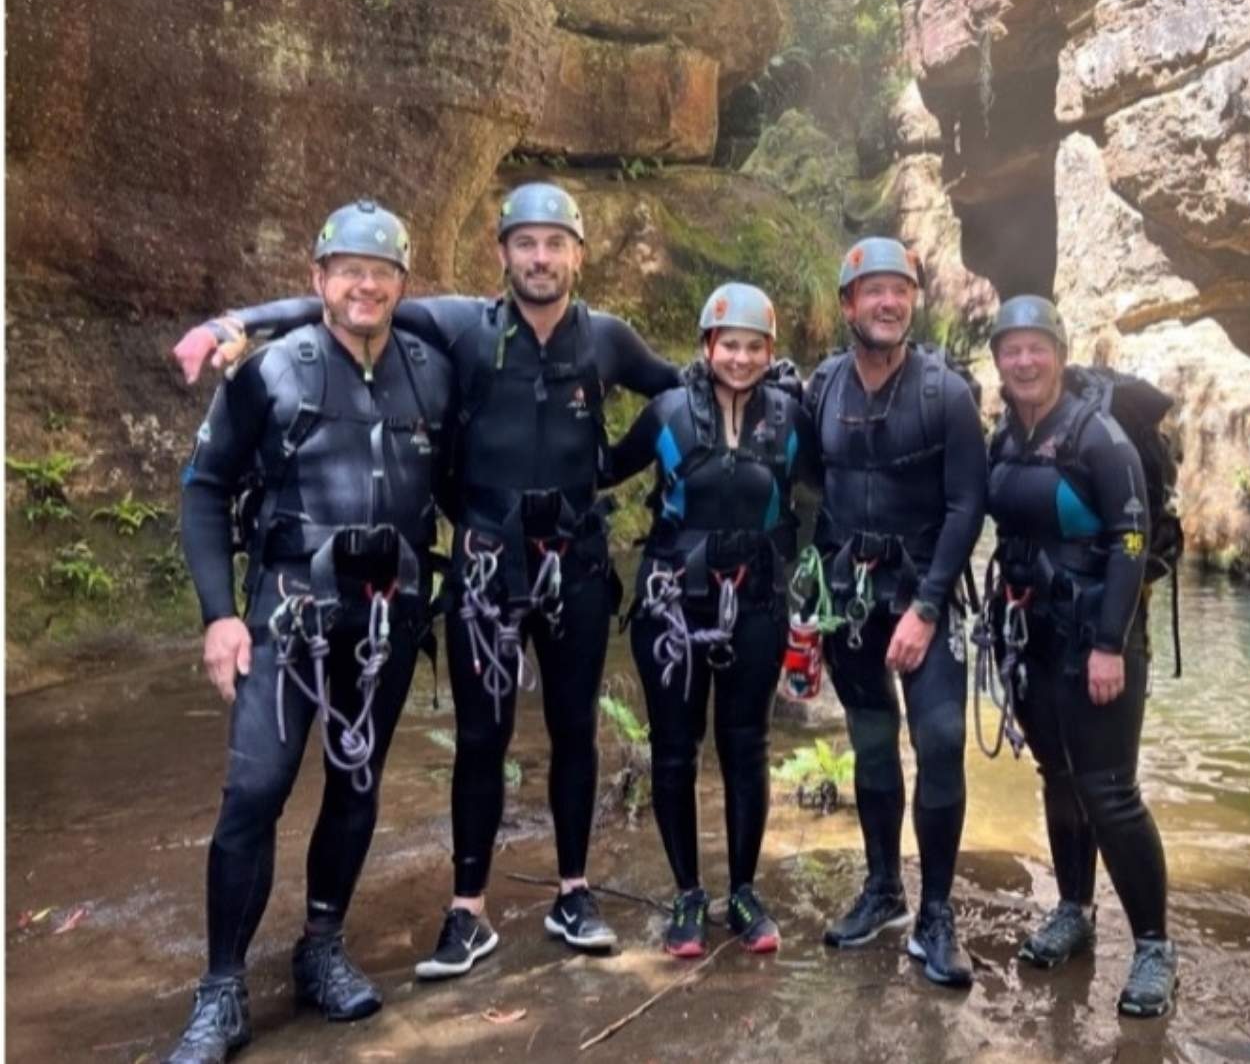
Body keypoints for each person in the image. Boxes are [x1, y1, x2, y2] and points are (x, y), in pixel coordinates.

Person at [173, 182, 678, 979]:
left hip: (569, 565)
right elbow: (348, 307)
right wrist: (237, 323)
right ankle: (464, 912)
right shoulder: (459, 327)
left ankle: (572, 894)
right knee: (470, 740)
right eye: (525, 242)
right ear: (502, 252)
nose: (540, 257)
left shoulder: (604, 339)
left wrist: (615, 464)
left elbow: (677, 389)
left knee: (569, 728)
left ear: (579, 255)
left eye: (555, 243)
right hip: (474, 571)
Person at [166, 200, 453, 1064]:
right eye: (349, 270)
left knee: (357, 784)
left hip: (387, 613)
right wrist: (219, 615)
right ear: (318, 278)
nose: (366, 286)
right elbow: (204, 488)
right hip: (288, 610)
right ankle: (222, 988)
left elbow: (464, 484)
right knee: (256, 790)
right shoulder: (268, 372)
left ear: (403, 283)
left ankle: (321, 946)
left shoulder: (432, 374)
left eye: (382, 272)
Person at [605, 284, 812, 957]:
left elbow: (832, 486)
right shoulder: (667, 412)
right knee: (674, 747)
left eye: (754, 347)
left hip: (757, 602)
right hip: (672, 605)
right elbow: (603, 468)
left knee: (746, 744)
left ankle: (744, 891)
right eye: (730, 345)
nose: (741, 358)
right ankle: (688, 894)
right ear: (706, 346)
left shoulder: (791, 417)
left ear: (770, 352)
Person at [986, 295, 1178, 1018]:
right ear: (998, 361)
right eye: (1011, 350)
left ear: (1060, 356)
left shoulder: (1100, 437)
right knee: (1059, 776)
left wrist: (1108, 645)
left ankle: (1154, 947)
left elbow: (1131, 540)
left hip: (1098, 637)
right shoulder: (1005, 436)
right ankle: (1074, 909)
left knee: (1109, 790)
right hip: (1031, 634)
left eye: (1037, 348)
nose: (1024, 361)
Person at [802, 237, 986, 986]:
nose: (888, 302)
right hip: (851, 603)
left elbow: (968, 504)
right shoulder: (822, 390)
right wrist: (805, 605)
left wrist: (929, 607)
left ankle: (936, 914)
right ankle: (884, 890)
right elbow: (809, 492)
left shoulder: (947, 394)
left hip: (923, 593)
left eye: (900, 290)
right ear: (848, 304)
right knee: (872, 745)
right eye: (873, 291)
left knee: (940, 741)